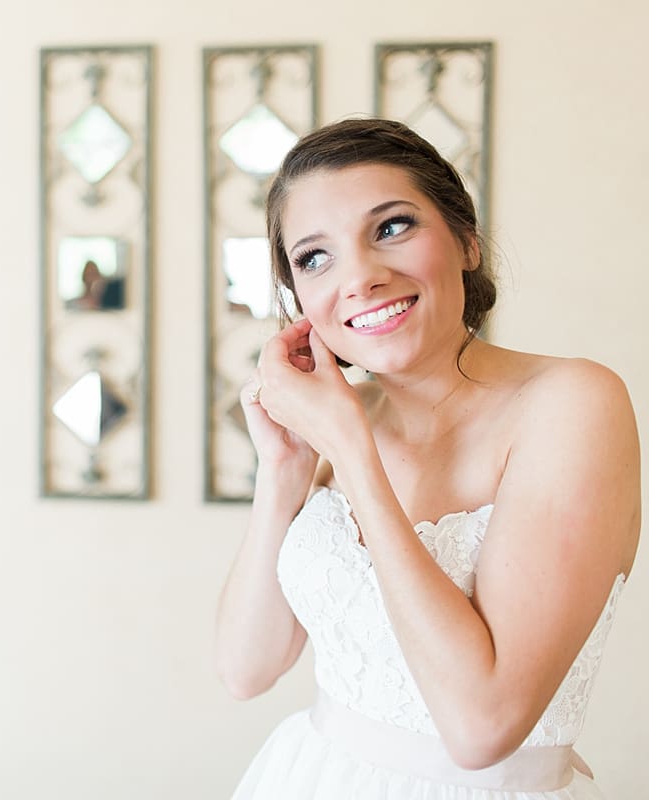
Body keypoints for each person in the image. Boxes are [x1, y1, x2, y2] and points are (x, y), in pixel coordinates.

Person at [215, 118, 640, 799]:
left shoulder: (573, 403)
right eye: (315, 258)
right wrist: (284, 471)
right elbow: (246, 669)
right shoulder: (334, 428)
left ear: (466, 241)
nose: (360, 278)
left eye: (391, 227)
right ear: (300, 303)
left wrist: (353, 452)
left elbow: (482, 727)